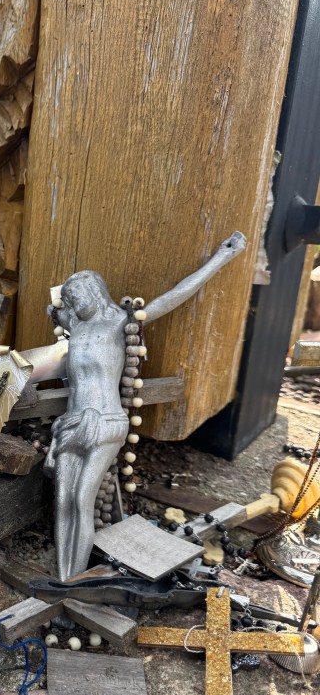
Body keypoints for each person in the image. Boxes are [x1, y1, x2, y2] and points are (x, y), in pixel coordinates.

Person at [46, 232, 247, 581]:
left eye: (76, 295)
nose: (72, 302)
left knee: (82, 499)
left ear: (95, 292)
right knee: (61, 500)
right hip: (71, 423)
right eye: (69, 299)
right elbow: (54, 309)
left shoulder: (121, 322)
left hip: (106, 420)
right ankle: (63, 577)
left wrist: (220, 258)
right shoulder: (75, 325)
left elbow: (172, 298)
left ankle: (71, 582)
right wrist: (56, 307)